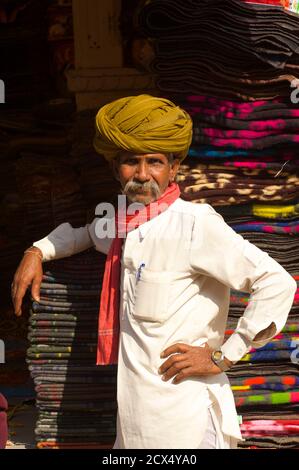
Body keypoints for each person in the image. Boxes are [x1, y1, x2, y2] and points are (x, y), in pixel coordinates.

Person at [11, 95, 296, 449]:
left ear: (173, 168)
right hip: (135, 420)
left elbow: (276, 281)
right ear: (116, 169)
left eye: (155, 162)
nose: (143, 174)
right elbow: (85, 234)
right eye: (132, 162)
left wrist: (224, 355)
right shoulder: (123, 226)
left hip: (185, 422)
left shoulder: (196, 224)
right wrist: (37, 250)